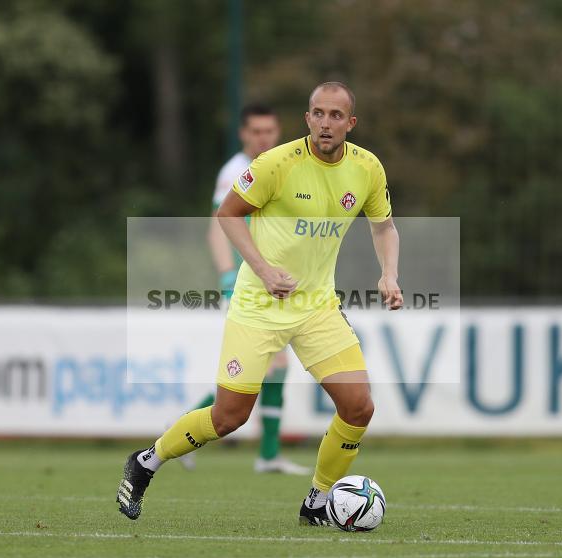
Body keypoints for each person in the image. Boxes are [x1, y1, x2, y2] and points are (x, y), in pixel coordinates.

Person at [117, 82, 402, 526]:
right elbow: (227, 214)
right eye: (318, 114)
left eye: (335, 115)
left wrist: (389, 274)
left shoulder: (367, 168)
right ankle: (146, 462)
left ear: (351, 123)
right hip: (258, 306)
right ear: (307, 119)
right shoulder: (277, 164)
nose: (326, 123)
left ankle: (317, 502)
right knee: (229, 417)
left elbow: (384, 227)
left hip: (317, 308)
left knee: (359, 406)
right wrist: (264, 271)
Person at [184, 103, 309, 475]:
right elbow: (218, 226)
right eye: (256, 131)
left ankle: (267, 454)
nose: (263, 138)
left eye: (269, 131)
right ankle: (187, 429)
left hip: (273, 284)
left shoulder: (282, 166)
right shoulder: (236, 171)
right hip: (247, 285)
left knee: (274, 366)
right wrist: (226, 276)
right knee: (265, 367)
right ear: (243, 134)